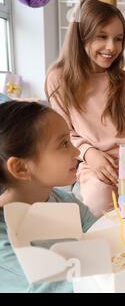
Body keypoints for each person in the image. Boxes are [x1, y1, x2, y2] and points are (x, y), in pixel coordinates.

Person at [46, 0, 125, 217]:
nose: (112, 47)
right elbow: (63, 133)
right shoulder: (59, 79)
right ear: (82, 36)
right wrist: (90, 154)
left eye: (118, 39)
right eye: (102, 37)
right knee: (97, 203)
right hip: (95, 164)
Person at [0, 101, 98, 293]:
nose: (77, 151)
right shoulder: (4, 242)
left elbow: (102, 240)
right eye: (63, 144)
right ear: (21, 168)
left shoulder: (68, 202)